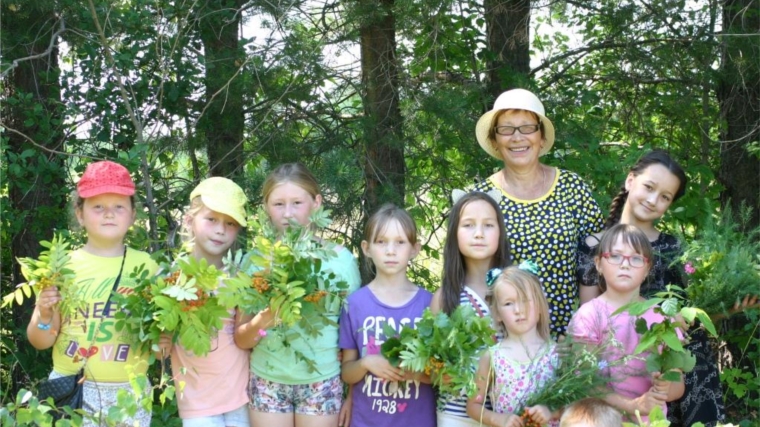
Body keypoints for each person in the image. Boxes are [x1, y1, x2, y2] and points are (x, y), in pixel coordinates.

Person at [576, 150, 725, 426]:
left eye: (665, 197)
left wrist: (724, 307)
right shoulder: (594, 245)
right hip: (621, 364)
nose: (653, 200)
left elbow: (697, 313)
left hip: (676, 361)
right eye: (649, 187)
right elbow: (589, 313)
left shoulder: (674, 248)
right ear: (630, 180)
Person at [26, 160, 159, 426]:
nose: (108, 214)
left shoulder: (148, 267)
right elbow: (40, 341)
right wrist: (44, 312)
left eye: (118, 206)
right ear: (80, 214)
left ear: (133, 214)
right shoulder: (61, 267)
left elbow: (160, 341)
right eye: (98, 206)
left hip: (129, 393)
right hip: (71, 389)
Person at [234, 163, 361, 427]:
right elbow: (242, 338)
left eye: (297, 203)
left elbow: (354, 337)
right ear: (266, 207)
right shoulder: (254, 262)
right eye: (278, 204)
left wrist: (352, 397)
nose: (288, 213)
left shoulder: (341, 261)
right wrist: (264, 320)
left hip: (322, 380)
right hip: (267, 379)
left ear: (316, 203)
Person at [473, 88, 604, 337]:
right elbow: (473, 270)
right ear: (494, 140)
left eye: (527, 127)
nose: (517, 137)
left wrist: (586, 329)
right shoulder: (483, 197)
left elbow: (596, 260)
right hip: (508, 340)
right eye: (506, 129)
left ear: (541, 137)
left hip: (571, 336)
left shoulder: (572, 187)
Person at [158, 177, 251, 427]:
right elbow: (159, 347)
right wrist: (159, 344)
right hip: (197, 402)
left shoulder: (239, 277)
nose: (220, 230)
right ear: (189, 220)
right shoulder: (171, 279)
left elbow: (246, 337)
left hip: (242, 396)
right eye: (211, 219)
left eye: (230, 223)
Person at [569, 224, 685, 424]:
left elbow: (678, 386)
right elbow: (585, 382)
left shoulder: (663, 317)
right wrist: (633, 406)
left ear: (647, 268)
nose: (625, 264)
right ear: (598, 263)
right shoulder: (589, 315)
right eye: (615, 256)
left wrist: (665, 387)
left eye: (636, 258)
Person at [339, 204, 436, 427]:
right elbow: (347, 372)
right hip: (366, 421)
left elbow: (440, 374)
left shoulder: (429, 304)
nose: (390, 250)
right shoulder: (354, 304)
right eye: (381, 242)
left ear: (414, 248)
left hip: (417, 421)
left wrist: (415, 373)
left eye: (400, 242)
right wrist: (366, 363)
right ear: (366, 248)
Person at [430, 191, 511, 427]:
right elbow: (434, 370)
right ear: (454, 233)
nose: (478, 234)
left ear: (500, 232)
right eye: (468, 225)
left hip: (507, 414)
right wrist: (444, 374)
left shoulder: (517, 290)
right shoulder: (445, 298)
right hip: (456, 416)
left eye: (488, 225)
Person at [466, 266, 561, 427]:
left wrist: (550, 411)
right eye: (509, 303)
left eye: (525, 300)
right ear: (497, 313)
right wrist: (498, 419)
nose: (518, 310)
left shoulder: (557, 353)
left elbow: (574, 403)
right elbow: (473, 406)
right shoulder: (492, 357)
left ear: (539, 305)